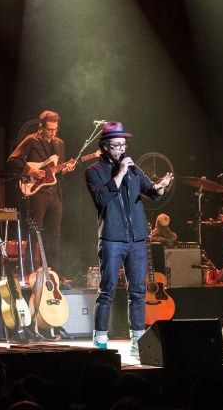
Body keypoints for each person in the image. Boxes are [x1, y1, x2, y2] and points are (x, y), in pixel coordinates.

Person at [85, 121, 173, 355]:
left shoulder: (134, 170)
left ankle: (137, 340)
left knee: (138, 292)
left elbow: (152, 193)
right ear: (104, 147)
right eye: (115, 146)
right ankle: (100, 339)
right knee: (108, 290)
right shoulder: (94, 171)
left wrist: (162, 186)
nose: (121, 150)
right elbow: (101, 199)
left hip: (137, 239)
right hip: (112, 239)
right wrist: (120, 173)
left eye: (123, 145)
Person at [7, 110, 75, 275]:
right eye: (49, 129)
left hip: (54, 191)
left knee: (55, 233)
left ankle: (54, 272)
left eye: (55, 129)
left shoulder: (59, 143)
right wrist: (31, 171)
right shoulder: (31, 140)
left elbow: (57, 170)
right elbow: (12, 160)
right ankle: (31, 270)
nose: (52, 133)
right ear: (41, 127)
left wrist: (66, 169)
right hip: (37, 192)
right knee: (35, 231)